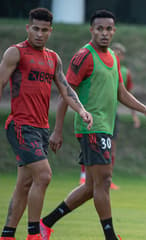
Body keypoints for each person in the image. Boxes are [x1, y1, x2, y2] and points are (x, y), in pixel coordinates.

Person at [39, 9, 146, 240]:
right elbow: (66, 93)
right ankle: (111, 236)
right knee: (104, 182)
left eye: (108, 29)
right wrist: (57, 130)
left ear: (114, 31)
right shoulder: (84, 56)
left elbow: (121, 93)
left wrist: (144, 109)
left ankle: (46, 223)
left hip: (106, 127)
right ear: (91, 30)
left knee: (92, 187)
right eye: (99, 29)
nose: (104, 33)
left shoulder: (113, 57)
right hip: (91, 126)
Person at [0, 8, 92, 240]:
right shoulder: (16, 53)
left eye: (44, 30)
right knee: (44, 176)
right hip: (21, 126)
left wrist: (81, 110)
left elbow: (66, 89)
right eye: (35, 29)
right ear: (28, 28)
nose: (39, 34)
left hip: (41, 129)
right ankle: (34, 234)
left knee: (25, 183)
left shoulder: (53, 59)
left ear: (50, 31)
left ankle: (7, 234)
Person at [78, 42, 141, 190]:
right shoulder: (96, 64)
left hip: (112, 115)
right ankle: (84, 177)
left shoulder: (124, 72)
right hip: (94, 115)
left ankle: (108, 178)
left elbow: (126, 94)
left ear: (123, 56)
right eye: (115, 52)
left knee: (112, 148)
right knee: (89, 147)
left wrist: (135, 115)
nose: (116, 55)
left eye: (119, 53)